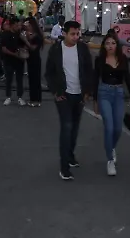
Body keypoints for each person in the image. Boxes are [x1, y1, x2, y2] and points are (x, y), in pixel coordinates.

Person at [46, 21, 94, 180]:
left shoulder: (82, 49)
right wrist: (55, 91)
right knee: (66, 127)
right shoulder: (56, 49)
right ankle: (64, 167)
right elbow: (49, 73)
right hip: (63, 95)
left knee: (74, 128)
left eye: (77, 34)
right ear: (64, 34)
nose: (75, 37)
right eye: (72, 34)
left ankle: (70, 155)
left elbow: (89, 70)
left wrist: (87, 91)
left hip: (79, 95)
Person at [93, 32, 130, 176]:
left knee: (117, 129)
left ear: (117, 45)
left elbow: (127, 77)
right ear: (104, 46)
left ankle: (111, 147)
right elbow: (95, 79)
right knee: (109, 128)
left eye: (113, 43)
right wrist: (95, 100)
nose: (110, 46)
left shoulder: (123, 59)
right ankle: (110, 160)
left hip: (119, 93)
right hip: (104, 93)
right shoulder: (99, 59)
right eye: (107, 43)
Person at [1, 17, 27, 106]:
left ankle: (20, 97)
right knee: (9, 79)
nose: (18, 27)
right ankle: (8, 97)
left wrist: (23, 52)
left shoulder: (19, 35)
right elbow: (4, 49)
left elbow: (24, 45)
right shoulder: (5, 34)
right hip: (8, 60)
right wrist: (14, 54)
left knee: (19, 79)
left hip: (19, 61)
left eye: (19, 25)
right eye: (16, 25)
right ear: (11, 25)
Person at [23, 16, 45, 106]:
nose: (26, 26)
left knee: (35, 80)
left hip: (35, 59)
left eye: (28, 25)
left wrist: (26, 41)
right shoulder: (30, 35)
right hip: (30, 59)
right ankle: (35, 99)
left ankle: (36, 100)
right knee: (32, 80)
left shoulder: (37, 36)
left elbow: (33, 48)